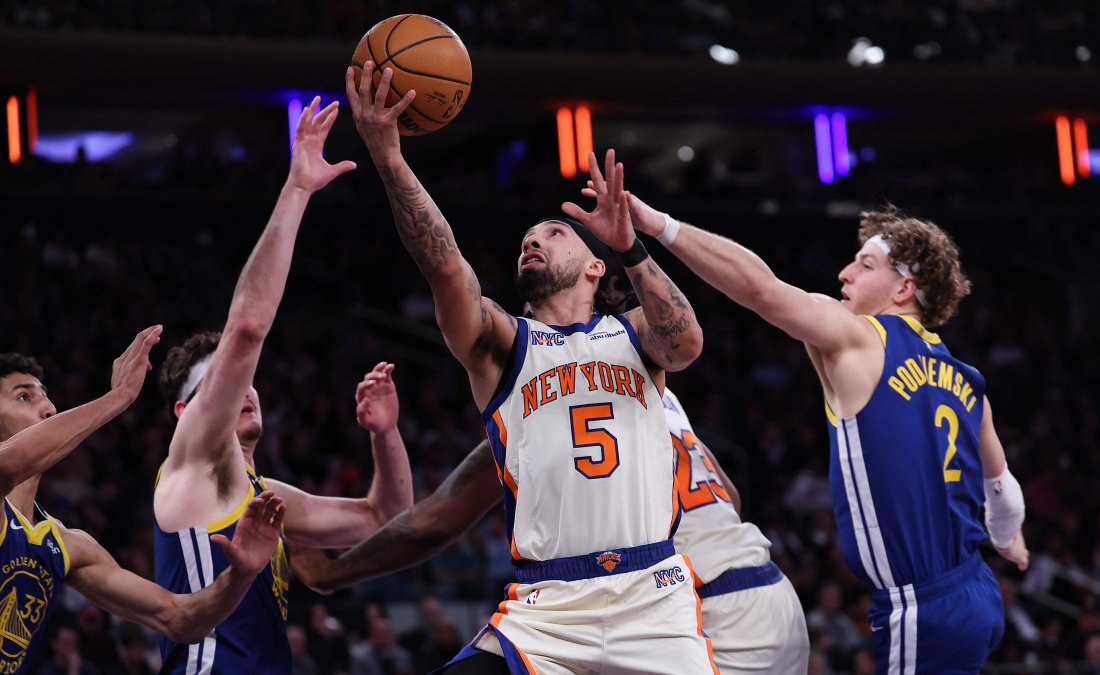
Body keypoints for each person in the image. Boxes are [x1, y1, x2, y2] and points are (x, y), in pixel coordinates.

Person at [344, 61, 710, 673]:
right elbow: (445, 266)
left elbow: (687, 344)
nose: (533, 241)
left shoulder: (635, 334)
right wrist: (391, 160)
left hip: (654, 596)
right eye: (526, 239)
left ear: (595, 267)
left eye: (554, 233)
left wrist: (631, 248)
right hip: (547, 605)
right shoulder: (501, 343)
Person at [612, 191, 1029, 674]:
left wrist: (657, 224)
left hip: (924, 605)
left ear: (903, 289)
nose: (844, 274)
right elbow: (1003, 491)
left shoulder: (860, 337)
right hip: (977, 587)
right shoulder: (970, 382)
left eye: (865, 265)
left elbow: (761, 289)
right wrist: (1008, 539)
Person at [152, 97, 414, 674]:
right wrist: (297, 190)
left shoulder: (264, 497)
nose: (243, 389)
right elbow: (246, 329)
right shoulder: (193, 465)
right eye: (216, 383)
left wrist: (385, 435)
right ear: (184, 411)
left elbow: (387, 518)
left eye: (247, 382)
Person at [297, 386, 810, 674]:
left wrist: (332, 574)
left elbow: (433, 524)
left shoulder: (548, 391)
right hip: (766, 595)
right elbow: (728, 495)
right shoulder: (659, 387)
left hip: (699, 617)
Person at [0, 340, 284, 675]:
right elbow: (7, 464)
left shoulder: (64, 543)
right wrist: (119, 396)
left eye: (45, 396)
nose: (49, 408)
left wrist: (241, 575)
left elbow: (178, 618)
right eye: (24, 396)